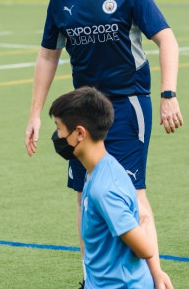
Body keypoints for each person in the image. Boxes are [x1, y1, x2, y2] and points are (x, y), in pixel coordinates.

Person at [24, 0, 182, 288]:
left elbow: (167, 41)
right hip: (83, 110)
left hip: (128, 106)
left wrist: (168, 94)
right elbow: (48, 55)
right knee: (83, 196)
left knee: (133, 193)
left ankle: (153, 278)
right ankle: (91, 279)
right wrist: (35, 112)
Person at [49, 86, 171, 288]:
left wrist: (156, 272)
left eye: (59, 128)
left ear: (80, 133)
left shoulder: (105, 189)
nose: (57, 136)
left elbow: (144, 248)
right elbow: (144, 217)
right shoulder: (102, 169)